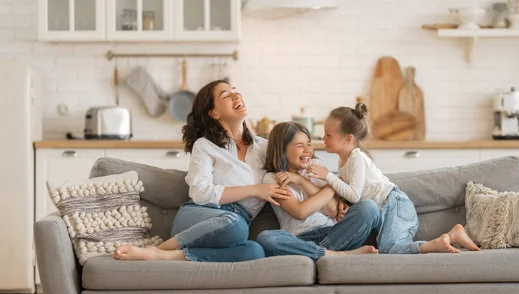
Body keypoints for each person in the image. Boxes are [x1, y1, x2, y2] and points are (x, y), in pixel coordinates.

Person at [113, 80, 291, 262]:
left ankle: (169, 256)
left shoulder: (265, 147)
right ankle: (157, 249)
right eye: (226, 95)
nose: (236, 96)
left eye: (235, 91)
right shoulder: (205, 146)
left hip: (232, 229)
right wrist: (255, 190)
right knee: (237, 225)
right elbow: (200, 192)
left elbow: (297, 158)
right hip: (200, 217)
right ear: (214, 113)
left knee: (254, 251)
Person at [307, 102, 480, 254]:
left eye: (328, 135)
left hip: (394, 205)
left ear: (348, 138)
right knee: (387, 248)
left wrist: (328, 176)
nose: (323, 138)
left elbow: (354, 195)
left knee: (390, 250)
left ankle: (448, 237)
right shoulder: (342, 159)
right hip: (383, 210)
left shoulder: (357, 158)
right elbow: (352, 193)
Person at [256, 121, 380, 261]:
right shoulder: (272, 179)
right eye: (299, 145)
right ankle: (335, 255)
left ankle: (320, 253)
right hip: (300, 238)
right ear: (282, 149)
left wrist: (301, 180)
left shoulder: (316, 166)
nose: (308, 150)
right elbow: (300, 212)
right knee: (266, 238)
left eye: (309, 144)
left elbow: (332, 210)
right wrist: (332, 185)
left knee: (369, 207)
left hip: (334, 234)